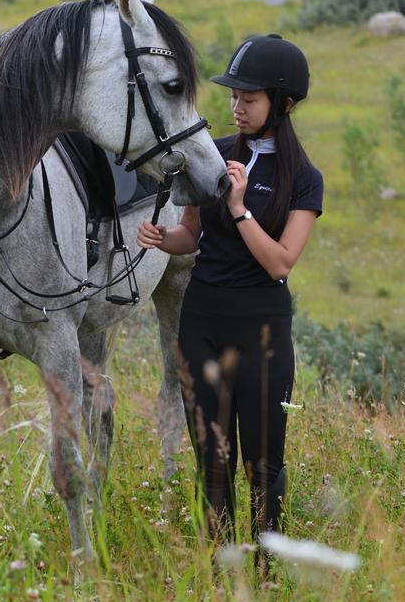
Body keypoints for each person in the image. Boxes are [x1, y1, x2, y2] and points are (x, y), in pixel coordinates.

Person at [137, 34, 324, 559]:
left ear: (283, 105)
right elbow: (192, 236)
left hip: (261, 327)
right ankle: (221, 571)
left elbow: (280, 262)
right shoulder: (212, 156)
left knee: (263, 462)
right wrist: (161, 240)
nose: (236, 107)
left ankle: (266, 569)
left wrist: (239, 207)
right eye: (233, 97)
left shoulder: (304, 179)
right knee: (211, 459)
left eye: (249, 98)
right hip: (201, 322)